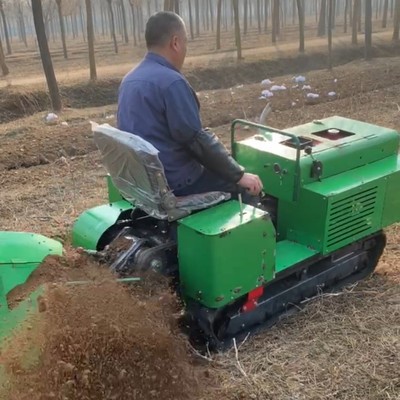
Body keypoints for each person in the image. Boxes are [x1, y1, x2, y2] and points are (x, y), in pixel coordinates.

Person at [117, 11, 263, 202]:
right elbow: (195, 140)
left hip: (143, 180)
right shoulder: (172, 82)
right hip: (177, 182)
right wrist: (239, 175)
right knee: (246, 190)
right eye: (186, 42)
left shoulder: (128, 80)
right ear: (175, 43)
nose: (186, 48)